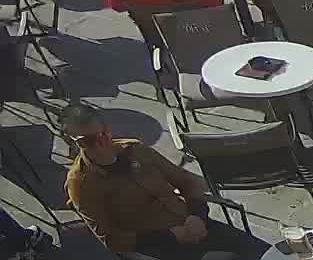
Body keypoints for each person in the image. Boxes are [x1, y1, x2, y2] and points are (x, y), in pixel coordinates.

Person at [63, 103, 268, 260]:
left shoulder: (135, 149)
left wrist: (197, 215)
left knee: (267, 254)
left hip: (193, 223)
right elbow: (111, 238)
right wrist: (170, 236)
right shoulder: (81, 183)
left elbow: (187, 181)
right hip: (159, 245)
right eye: (89, 141)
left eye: (103, 134)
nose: (102, 143)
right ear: (71, 142)